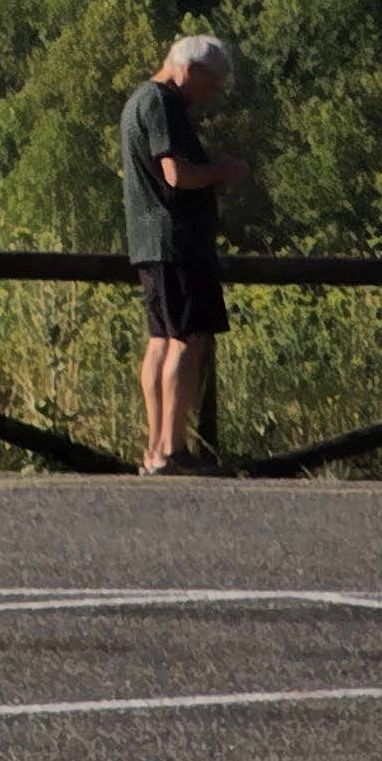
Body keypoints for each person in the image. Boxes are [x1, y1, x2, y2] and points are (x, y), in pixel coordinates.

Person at [119, 32, 246, 475]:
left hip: (150, 243)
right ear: (190, 70)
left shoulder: (139, 100)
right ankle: (172, 450)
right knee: (185, 341)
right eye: (209, 86)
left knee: (160, 341)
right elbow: (176, 175)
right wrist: (220, 172)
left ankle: (155, 450)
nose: (208, 98)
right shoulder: (162, 103)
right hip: (177, 242)